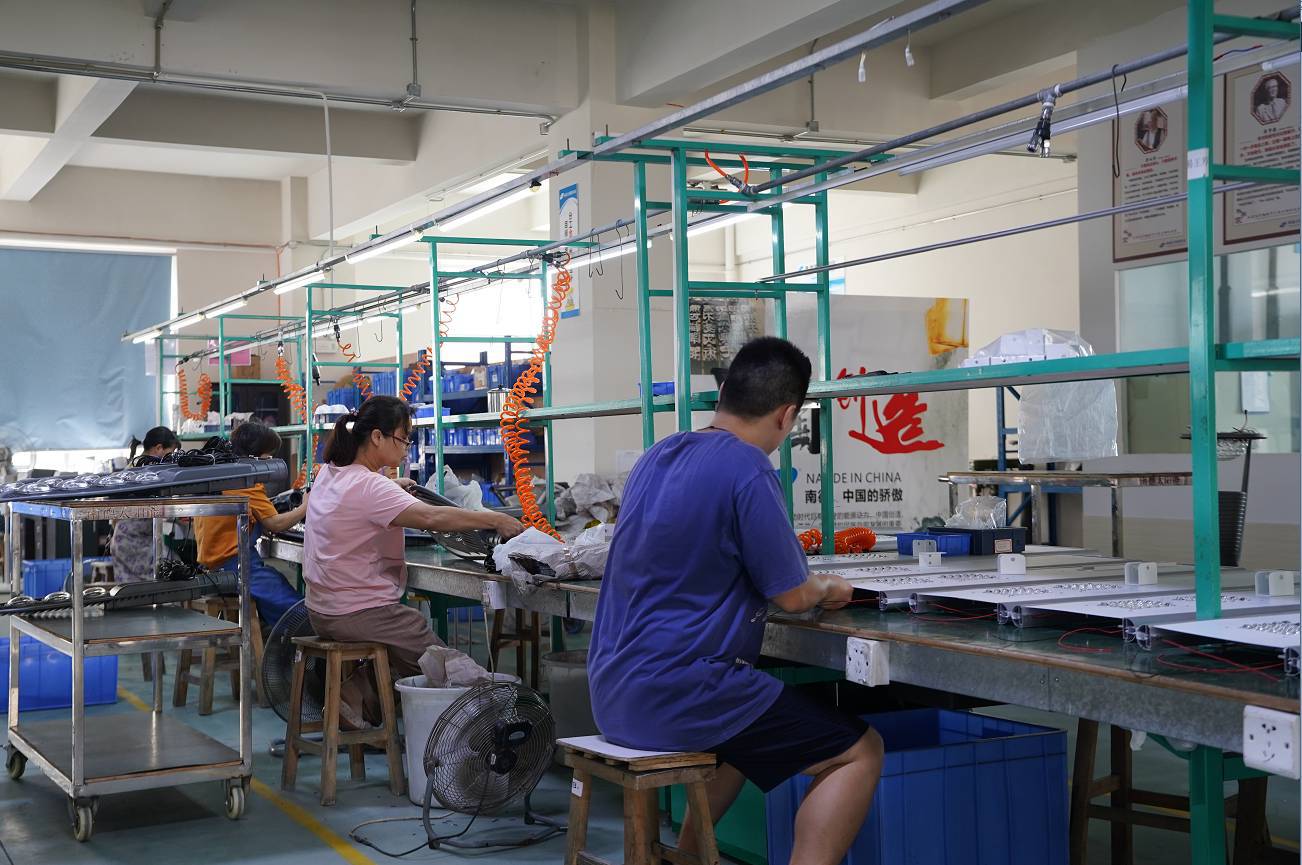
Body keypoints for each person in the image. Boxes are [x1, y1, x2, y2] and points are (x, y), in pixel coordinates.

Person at [589, 337, 884, 865]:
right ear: (787, 414)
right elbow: (793, 595)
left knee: (751, 720)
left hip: (614, 690)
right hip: (678, 695)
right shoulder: (748, 468)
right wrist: (831, 587)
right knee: (860, 751)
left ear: (724, 392)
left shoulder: (659, 455)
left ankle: (688, 855)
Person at [302, 395, 524, 728]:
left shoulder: (330, 474)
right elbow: (431, 518)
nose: (407, 449)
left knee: (404, 651)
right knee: (438, 660)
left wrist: (392, 486)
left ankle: (355, 694)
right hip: (356, 612)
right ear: (377, 437)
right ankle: (486, 722)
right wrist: (494, 519)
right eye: (403, 438)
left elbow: (360, 497)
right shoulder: (371, 486)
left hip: (321, 610)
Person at [193, 422, 307, 627]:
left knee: (276, 582)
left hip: (211, 565)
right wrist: (306, 507)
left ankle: (278, 634)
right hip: (237, 566)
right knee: (297, 608)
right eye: (268, 455)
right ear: (255, 455)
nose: (270, 461)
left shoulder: (221, 473)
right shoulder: (244, 481)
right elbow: (275, 524)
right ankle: (299, 639)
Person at [110, 426, 180, 583]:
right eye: (170, 453)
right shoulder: (142, 472)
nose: (172, 459)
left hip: (126, 541)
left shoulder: (136, 467)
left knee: (134, 592)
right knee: (171, 572)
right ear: (158, 448)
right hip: (132, 543)